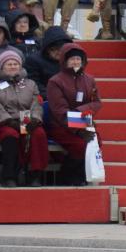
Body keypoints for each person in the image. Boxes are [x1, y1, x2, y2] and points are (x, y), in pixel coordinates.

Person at [0, 49, 50, 187]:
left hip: (26, 120)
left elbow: (36, 102)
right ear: (1, 67)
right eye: (9, 64)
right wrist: (8, 121)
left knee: (38, 134)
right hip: (3, 122)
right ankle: (10, 176)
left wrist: (35, 119)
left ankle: (35, 174)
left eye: (16, 64)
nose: (13, 66)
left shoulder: (30, 84)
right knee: (10, 135)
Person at [45, 44, 102, 185]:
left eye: (78, 59)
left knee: (97, 142)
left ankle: (85, 175)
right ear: (65, 61)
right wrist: (77, 129)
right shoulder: (55, 81)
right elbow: (59, 111)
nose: (75, 62)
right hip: (61, 125)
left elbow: (96, 102)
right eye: (72, 59)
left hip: (84, 121)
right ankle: (67, 177)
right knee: (80, 145)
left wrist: (81, 111)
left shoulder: (90, 80)